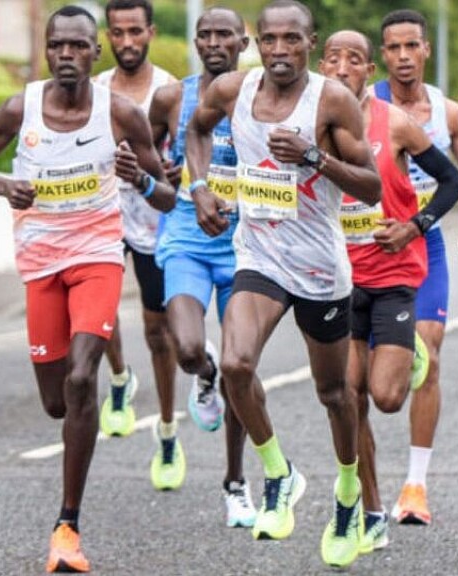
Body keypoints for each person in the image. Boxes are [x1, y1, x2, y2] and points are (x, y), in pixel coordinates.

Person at [0, 5, 175, 573]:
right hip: (40, 265)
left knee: (82, 378)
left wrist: (139, 178)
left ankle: (67, 526)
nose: (66, 55)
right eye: (57, 45)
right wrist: (2, 184)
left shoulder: (120, 113)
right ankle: (93, 405)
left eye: (78, 46)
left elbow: (167, 197)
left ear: (95, 52)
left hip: (97, 256)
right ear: (47, 50)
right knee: (58, 402)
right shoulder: (21, 107)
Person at [185, 0, 381, 568]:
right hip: (260, 255)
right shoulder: (234, 90)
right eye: (269, 39)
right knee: (236, 364)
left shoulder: (333, 100)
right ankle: (279, 473)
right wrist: (199, 187)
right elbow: (196, 130)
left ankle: (349, 491)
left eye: (291, 39)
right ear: (257, 43)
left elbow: (370, 187)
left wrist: (314, 157)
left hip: (319, 265)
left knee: (334, 394)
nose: (278, 50)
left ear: (310, 44)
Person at [317, 30, 458, 554]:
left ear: (367, 71)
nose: (342, 68)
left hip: (393, 276)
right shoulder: (308, 124)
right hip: (338, 281)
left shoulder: (395, 123)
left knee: (386, 397)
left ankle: (408, 356)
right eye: (332, 59)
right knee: (349, 397)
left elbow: (453, 182)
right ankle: (372, 509)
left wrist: (414, 226)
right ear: (321, 66)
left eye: (353, 60)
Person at [146, 6, 256, 526]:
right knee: (188, 350)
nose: (214, 43)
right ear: (195, 42)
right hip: (186, 241)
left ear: (243, 43)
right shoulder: (172, 97)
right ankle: (203, 374)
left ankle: (235, 483)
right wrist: (160, 171)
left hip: (246, 249)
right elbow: (145, 145)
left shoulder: (260, 97)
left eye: (224, 35)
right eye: (205, 35)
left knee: (242, 368)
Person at [371, 8, 458, 526]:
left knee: (429, 357)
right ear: (382, 54)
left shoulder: (448, 113)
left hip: (424, 242)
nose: (403, 56)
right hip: (366, 245)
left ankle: (415, 485)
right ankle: (360, 487)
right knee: (361, 381)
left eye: (412, 45)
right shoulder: (363, 104)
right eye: (393, 48)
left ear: (426, 50)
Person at [94, 0, 185, 492]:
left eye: (135, 31)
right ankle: (119, 379)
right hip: (104, 215)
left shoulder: (169, 90)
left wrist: (174, 171)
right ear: (108, 35)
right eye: (117, 32)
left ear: (150, 32)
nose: (126, 41)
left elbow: (187, 152)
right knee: (98, 313)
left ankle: (167, 430)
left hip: (153, 220)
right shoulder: (94, 90)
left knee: (157, 332)